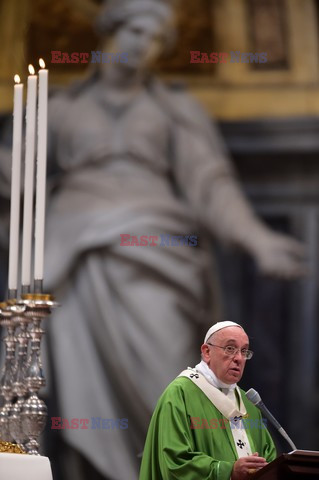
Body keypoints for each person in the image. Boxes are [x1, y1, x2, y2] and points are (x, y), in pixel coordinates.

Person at [0, 0, 305, 478]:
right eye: (136, 31)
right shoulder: (60, 109)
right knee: (86, 389)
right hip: (78, 254)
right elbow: (13, 177)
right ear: (110, 31)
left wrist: (257, 239)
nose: (144, 46)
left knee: (162, 371)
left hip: (155, 248)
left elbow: (211, 183)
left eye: (156, 39)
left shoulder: (173, 108)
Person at [139, 321, 276, 480]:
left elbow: (269, 460)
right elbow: (174, 462)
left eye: (244, 351)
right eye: (230, 348)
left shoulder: (249, 404)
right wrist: (228, 471)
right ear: (206, 352)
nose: (239, 358)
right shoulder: (180, 393)